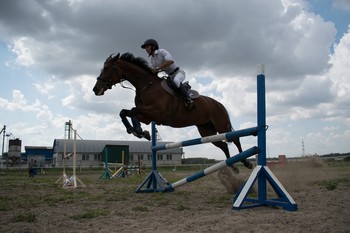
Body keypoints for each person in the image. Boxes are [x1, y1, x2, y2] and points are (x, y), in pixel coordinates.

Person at [141, 39, 194, 110]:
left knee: (176, 81)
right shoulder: (152, 59)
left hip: (178, 73)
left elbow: (170, 61)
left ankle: (188, 100)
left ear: (153, 47)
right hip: (169, 76)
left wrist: (157, 68)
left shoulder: (162, 51)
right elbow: (152, 70)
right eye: (145, 48)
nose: (146, 49)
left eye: (147, 47)